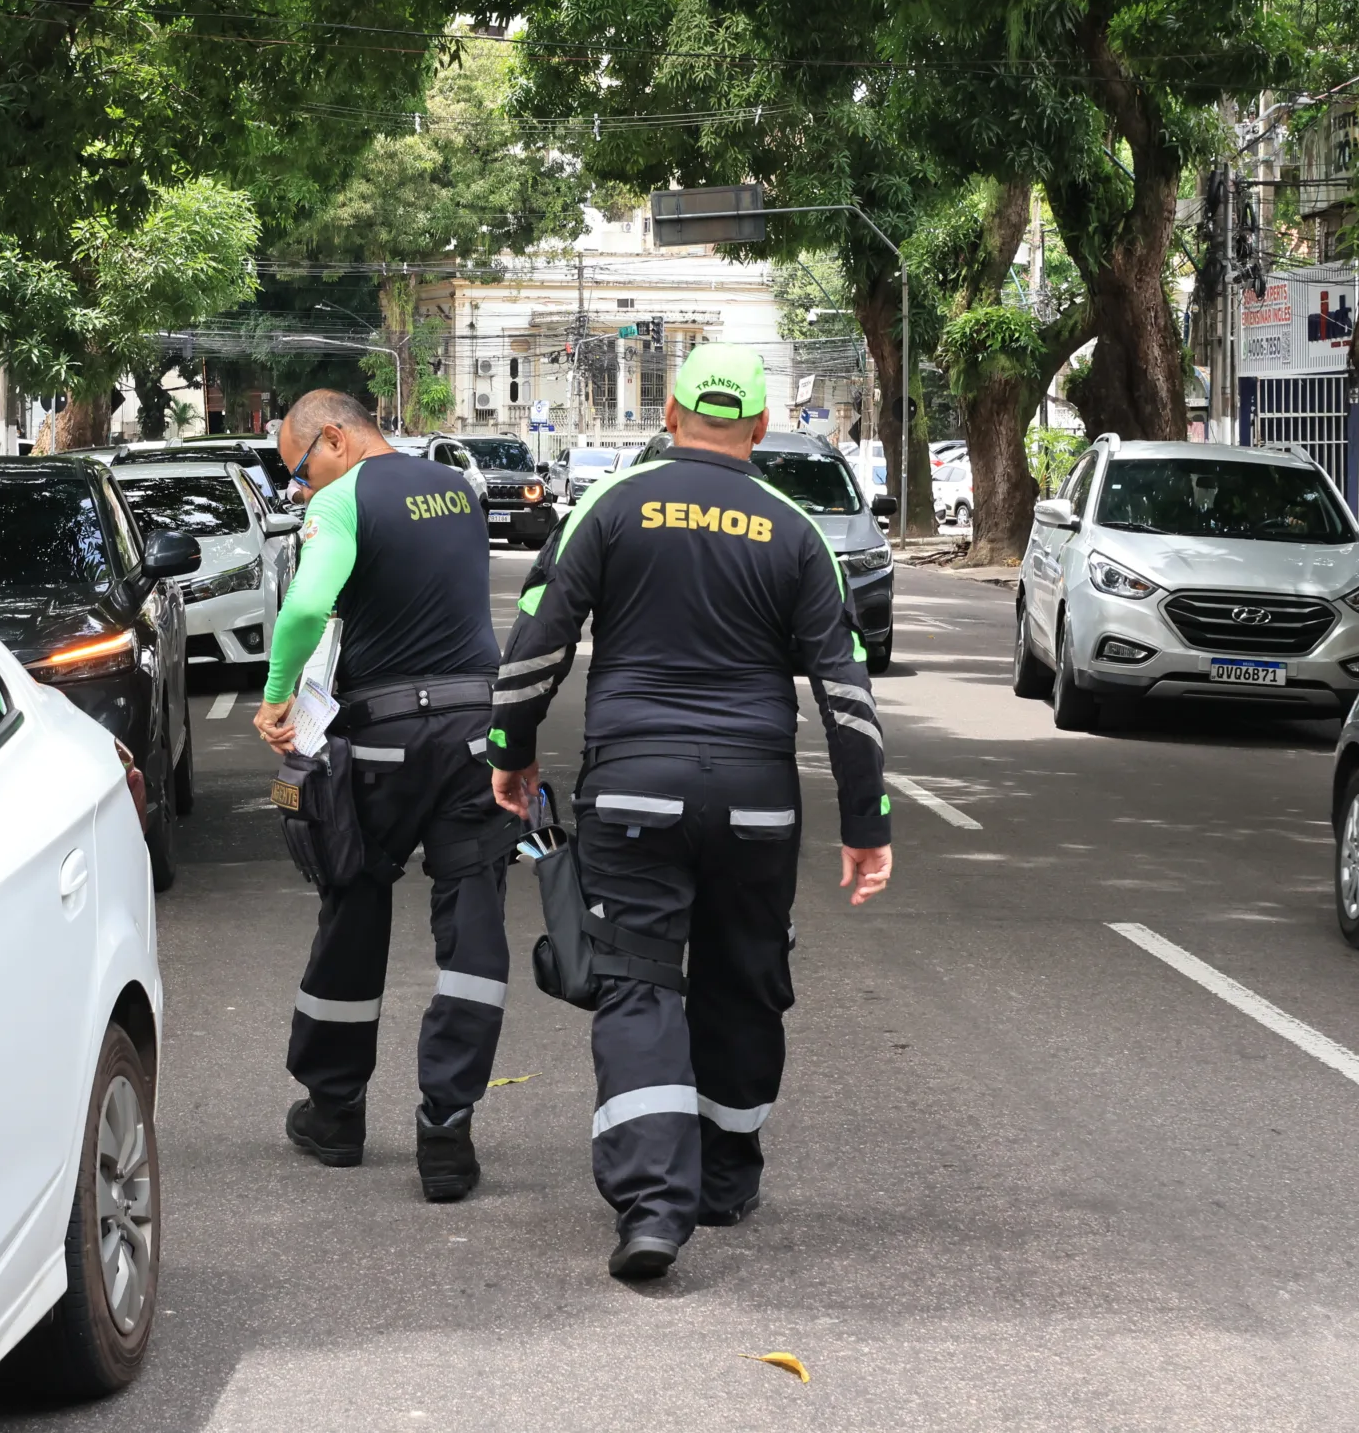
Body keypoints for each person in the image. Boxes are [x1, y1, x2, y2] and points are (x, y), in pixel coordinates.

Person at [485, 342, 895, 1283]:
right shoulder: (796, 530)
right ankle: (727, 1177)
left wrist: (509, 754)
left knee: (637, 982)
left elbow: (540, 635)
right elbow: (846, 688)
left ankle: (653, 1207)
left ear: (668, 414)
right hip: (756, 798)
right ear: (758, 426)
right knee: (743, 976)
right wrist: (867, 823)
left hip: (632, 786)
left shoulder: (611, 504)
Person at [254, 388, 517, 1203]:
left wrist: (277, 691)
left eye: (301, 470)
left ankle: (335, 1114)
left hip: (382, 739)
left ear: (334, 437)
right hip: (475, 729)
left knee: (356, 899)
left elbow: (305, 604)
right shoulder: (458, 488)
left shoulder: (345, 498)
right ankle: (447, 1129)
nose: (301, 489)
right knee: (472, 919)